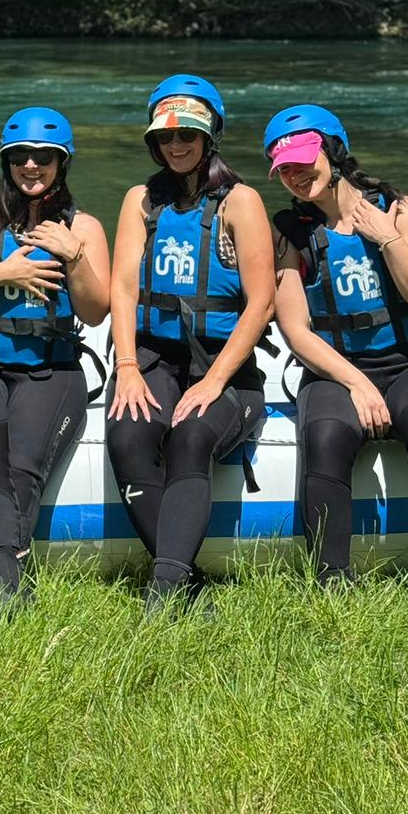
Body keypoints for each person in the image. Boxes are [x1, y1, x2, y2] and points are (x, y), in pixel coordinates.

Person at [265, 104, 408, 593]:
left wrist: (388, 238)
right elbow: (296, 330)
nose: (295, 175)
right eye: (283, 168)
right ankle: (332, 583)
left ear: (333, 152)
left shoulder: (398, 208)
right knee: (328, 433)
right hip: (336, 370)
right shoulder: (292, 234)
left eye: (304, 161)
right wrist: (356, 384)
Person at [106, 76, 274, 611]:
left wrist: (215, 380)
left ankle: (162, 596)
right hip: (155, 358)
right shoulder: (141, 200)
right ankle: (189, 584)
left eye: (189, 136)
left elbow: (261, 302)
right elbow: (124, 287)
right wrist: (127, 366)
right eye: (166, 138)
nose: (177, 147)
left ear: (210, 137)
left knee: (189, 436)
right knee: (128, 436)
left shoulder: (240, 202)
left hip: (226, 368)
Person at [0, 107, 110, 607]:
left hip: (50, 371)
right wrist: (0, 274)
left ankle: (2, 580)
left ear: (61, 163)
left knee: (21, 467)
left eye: (44, 158)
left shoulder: (85, 227)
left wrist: (73, 257)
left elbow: (97, 313)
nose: (32, 167)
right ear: (7, 161)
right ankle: (10, 581)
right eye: (21, 158)